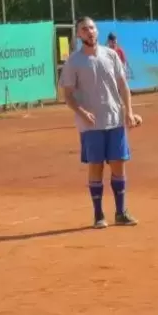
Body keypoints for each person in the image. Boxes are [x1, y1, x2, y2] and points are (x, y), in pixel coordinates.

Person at [60, 17, 140, 229]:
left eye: (92, 28)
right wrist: (82, 112)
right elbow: (67, 95)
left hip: (114, 119)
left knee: (118, 164)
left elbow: (123, 86)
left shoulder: (111, 55)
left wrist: (129, 112)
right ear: (78, 35)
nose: (89, 32)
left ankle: (121, 212)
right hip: (91, 124)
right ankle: (98, 215)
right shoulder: (73, 62)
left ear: (97, 31)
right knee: (95, 167)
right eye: (84, 29)